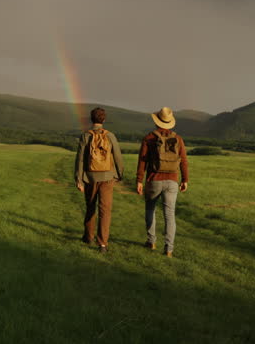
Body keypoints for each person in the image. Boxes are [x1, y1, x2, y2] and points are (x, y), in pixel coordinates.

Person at [136, 107, 189, 257]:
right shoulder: (178, 139)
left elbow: (142, 161)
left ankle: (151, 241)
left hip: (154, 179)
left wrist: (139, 180)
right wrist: (185, 179)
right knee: (169, 214)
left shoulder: (149, 138)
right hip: (172, 180)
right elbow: (184, 161)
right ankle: (169, 249)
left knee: (150, 209)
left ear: (157, 121)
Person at [74, 107, 124, 253]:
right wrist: (119, 174)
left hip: (90, 178)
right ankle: (102, 244)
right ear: (104, 119)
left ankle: (88, 237)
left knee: (90, 207)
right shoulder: (110, 136)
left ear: (91, 119)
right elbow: (118, 157)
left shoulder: (85, 136)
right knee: (105, 211)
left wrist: (79, 179)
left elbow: (80, 160)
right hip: (107, 178)